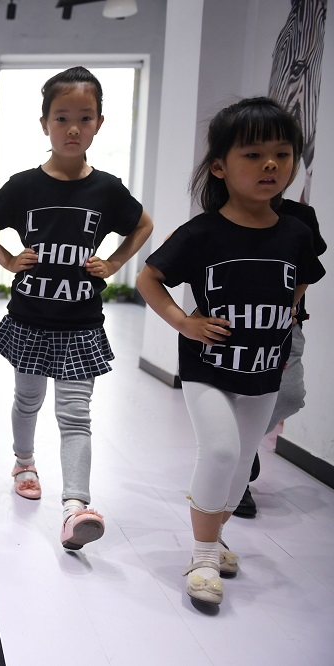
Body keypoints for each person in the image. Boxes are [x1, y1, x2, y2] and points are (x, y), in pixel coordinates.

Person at [136, 97, 325, 607]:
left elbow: (302, 277)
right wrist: (185, 323)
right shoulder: (201, 232)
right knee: (219, 451)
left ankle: (216, 538)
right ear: (220, 166)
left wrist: (282, 320)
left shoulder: (297, 228)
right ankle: (201, 555)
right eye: (253, 154)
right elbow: (149, 278)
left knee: (242, 464)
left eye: (282, 154)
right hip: (208, 368)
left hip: (265, 370)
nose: (270, 165)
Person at [0, 66, 153, 550]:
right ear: (45, 123)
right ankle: (24, 461)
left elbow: (143, 225)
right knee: (28, 400)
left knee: (75, 413)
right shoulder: (25, 186)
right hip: (30, 318)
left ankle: (75, 506)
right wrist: (8, 259)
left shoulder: (107, 189)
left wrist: (113, 262)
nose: (73, 127)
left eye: (84, 118)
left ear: (99, 124)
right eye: (62, 117)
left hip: (80, 323)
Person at [234, 198, 326, 517]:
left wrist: (292, 307)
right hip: (235, 323)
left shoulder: (300, 216)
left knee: (289, 395)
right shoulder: (227, 207)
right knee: (240, 397)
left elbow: (309, 267)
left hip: (286, 323)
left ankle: (242, 443)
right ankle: (239, 476)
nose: (270, 165)